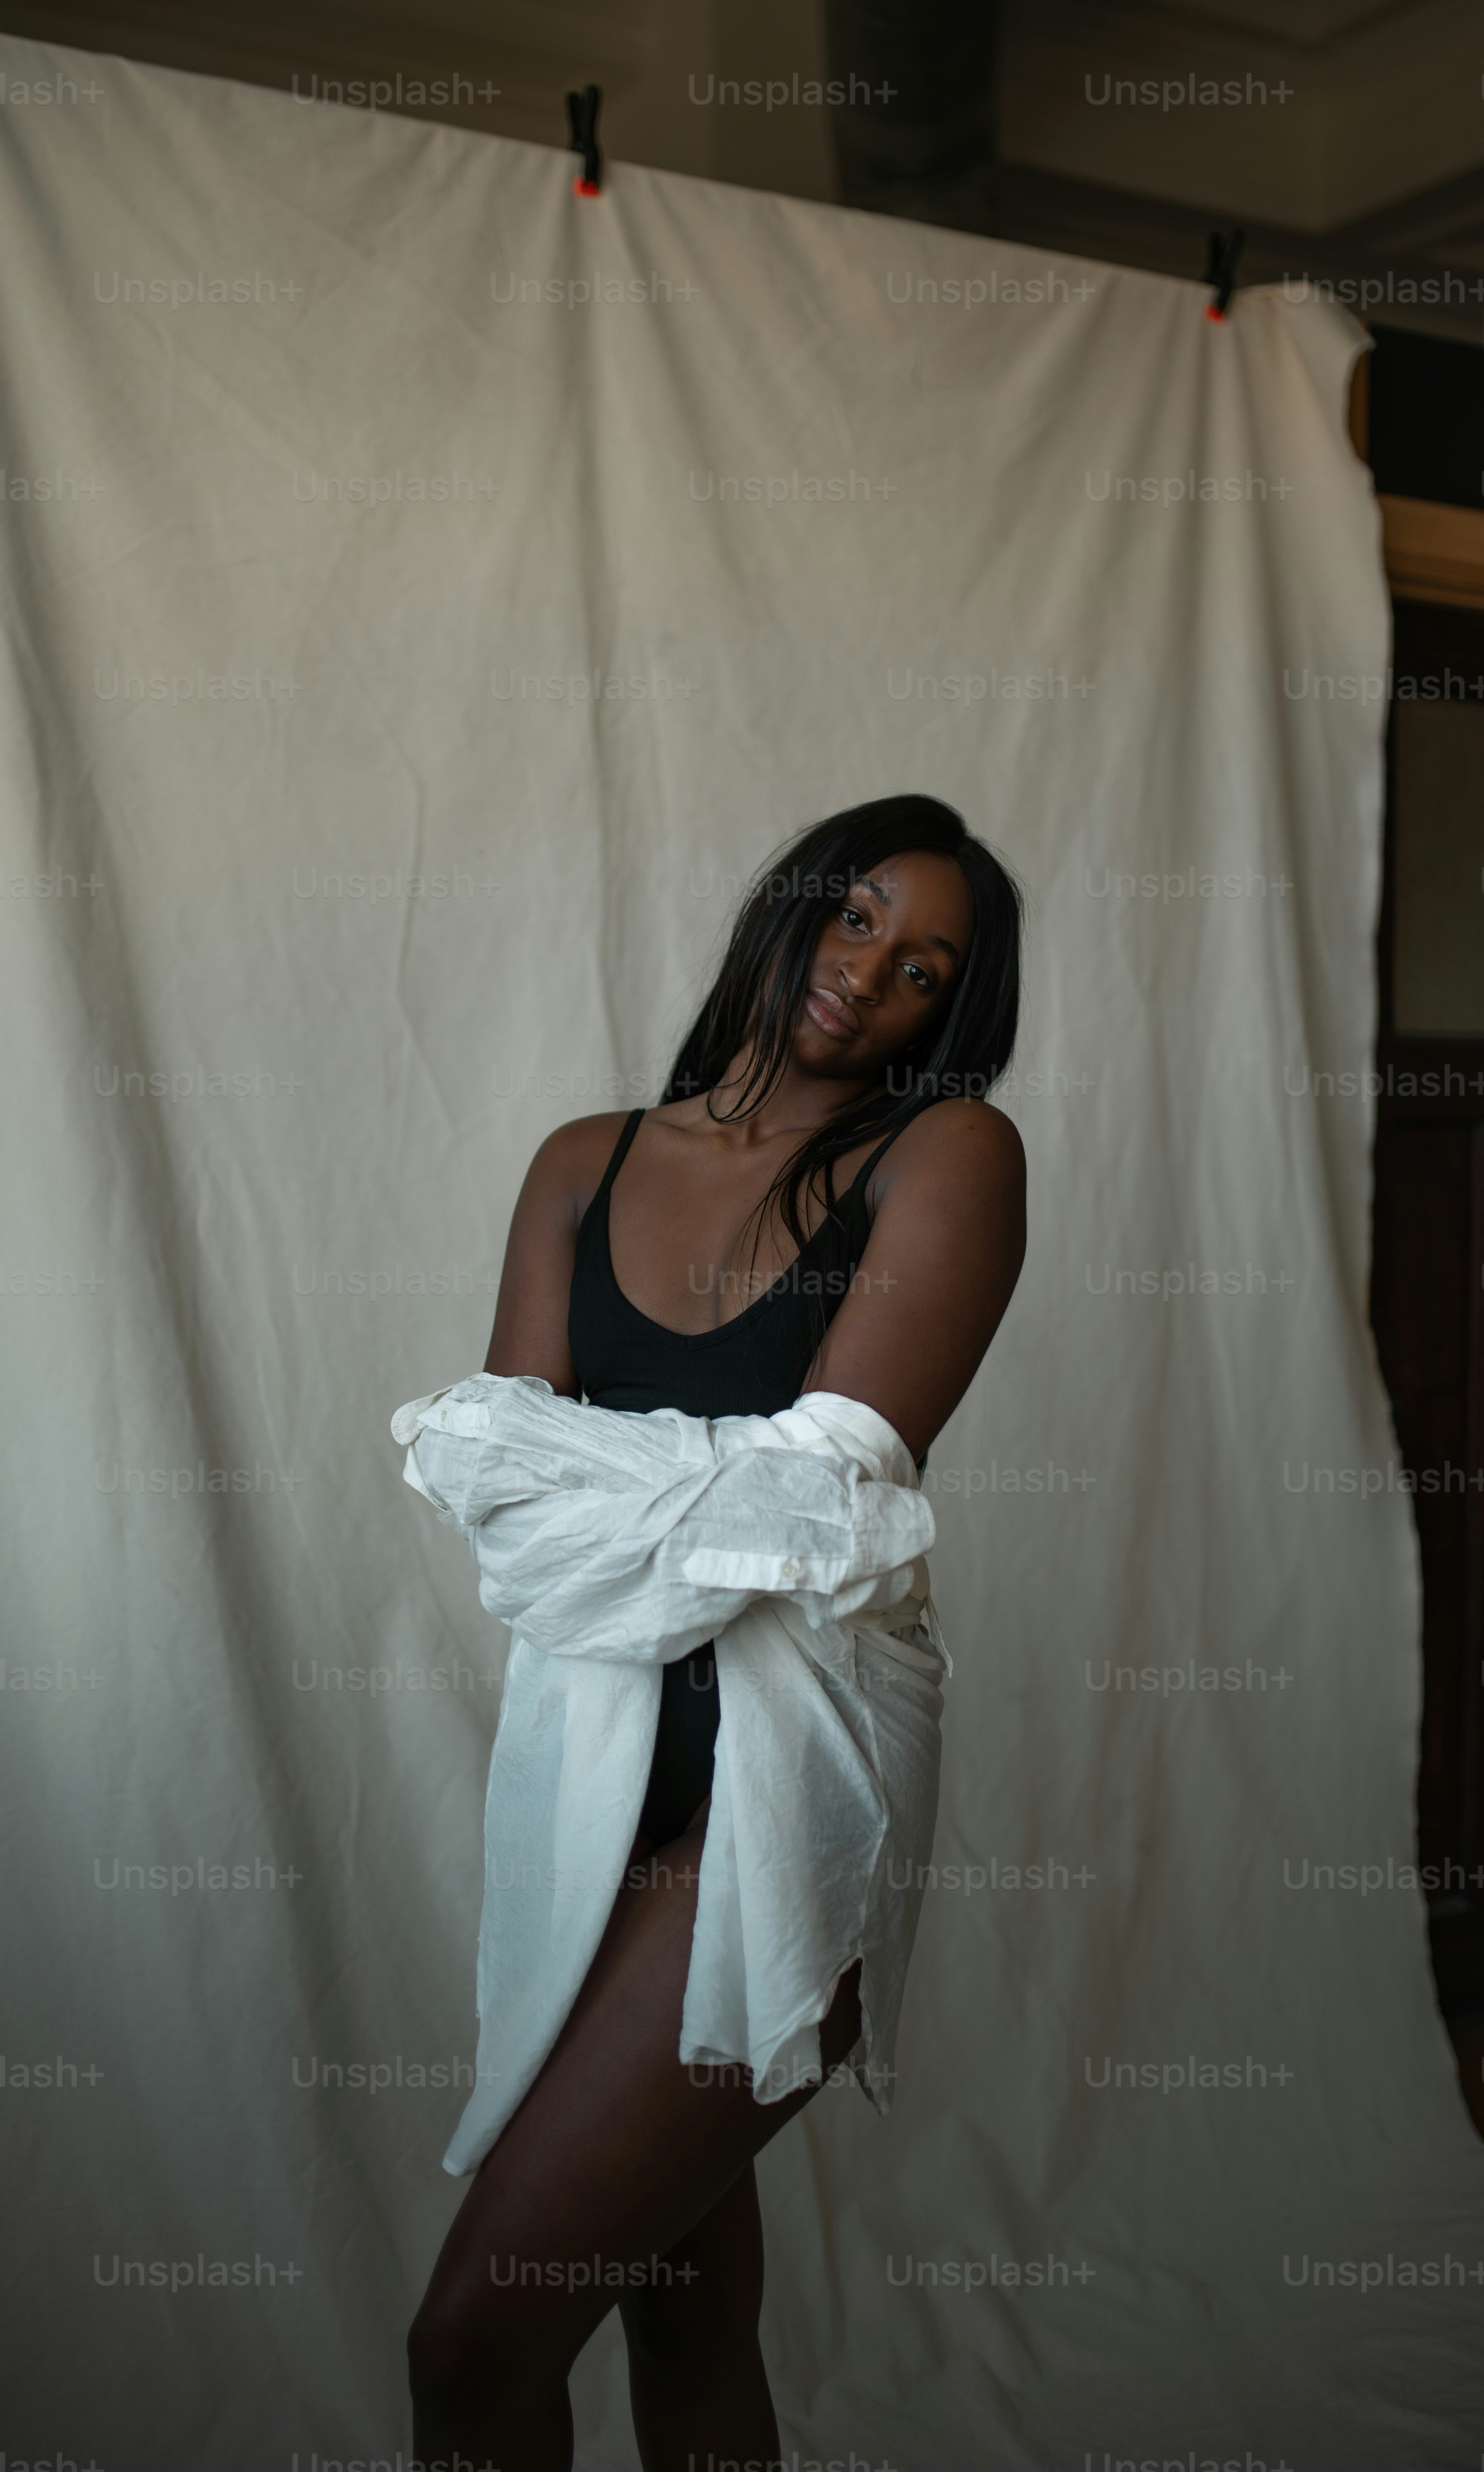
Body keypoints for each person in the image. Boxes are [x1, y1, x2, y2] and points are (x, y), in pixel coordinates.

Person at [407, 791, 1027, 2470]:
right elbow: (502, 1510)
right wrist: (705, 1493)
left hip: (793, 1793)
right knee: (683, 2308)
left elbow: (827, 1505)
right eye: (854, 919)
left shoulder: (944, 1152)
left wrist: (613, 1470)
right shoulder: (583, 1160)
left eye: (924, 967)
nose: (871, 974)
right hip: (585, 1787)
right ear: (793, 908)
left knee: (473, 2342)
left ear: (949, 1012)